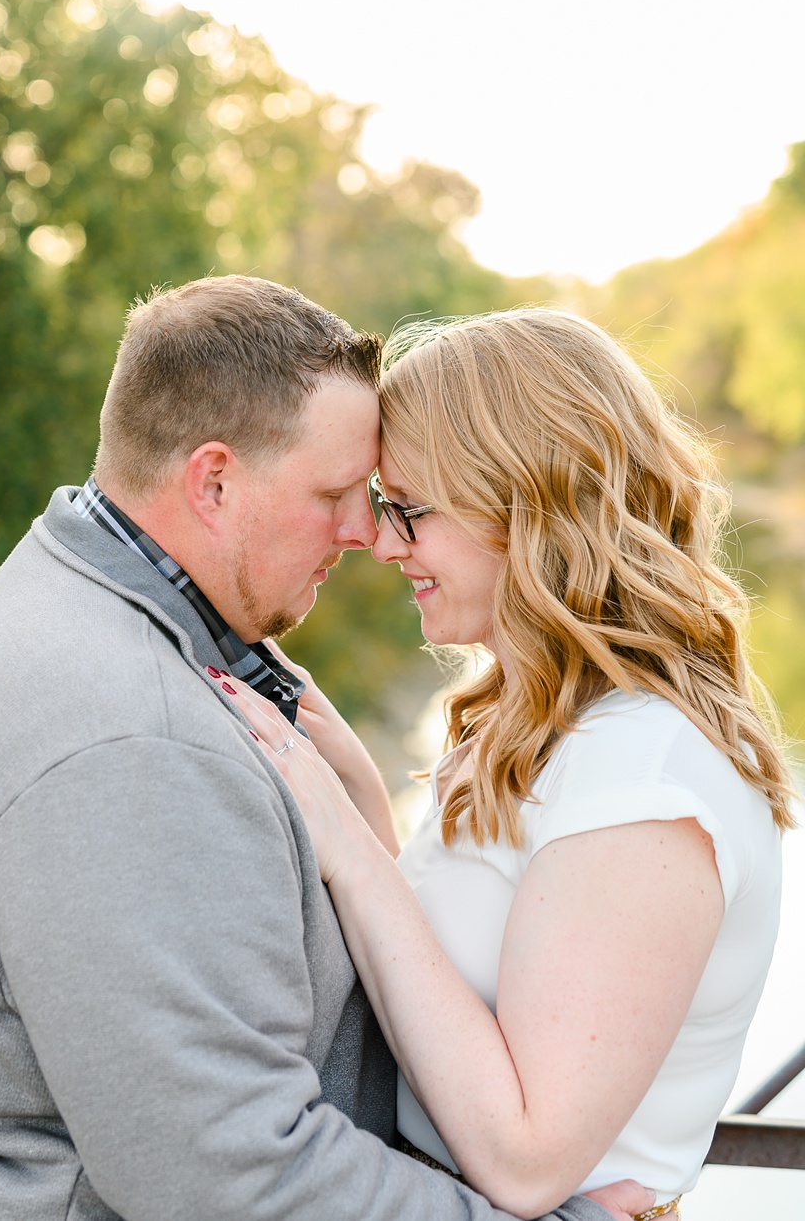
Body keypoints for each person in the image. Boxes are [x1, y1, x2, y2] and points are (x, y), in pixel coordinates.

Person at [0, 278, 650, 1221]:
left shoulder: (76, 583)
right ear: (214, 480)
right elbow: (230, 1181)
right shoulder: (133, 743)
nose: (365, 534)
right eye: (336, 495)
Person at [225, 306, 798, 1221]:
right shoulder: (550, 724)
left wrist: (348, 849)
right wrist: (361, 794)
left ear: (527, 507)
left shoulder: (641, 779)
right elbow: (466, 979)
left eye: (409, 510)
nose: (381, 542)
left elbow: (527, 1161)